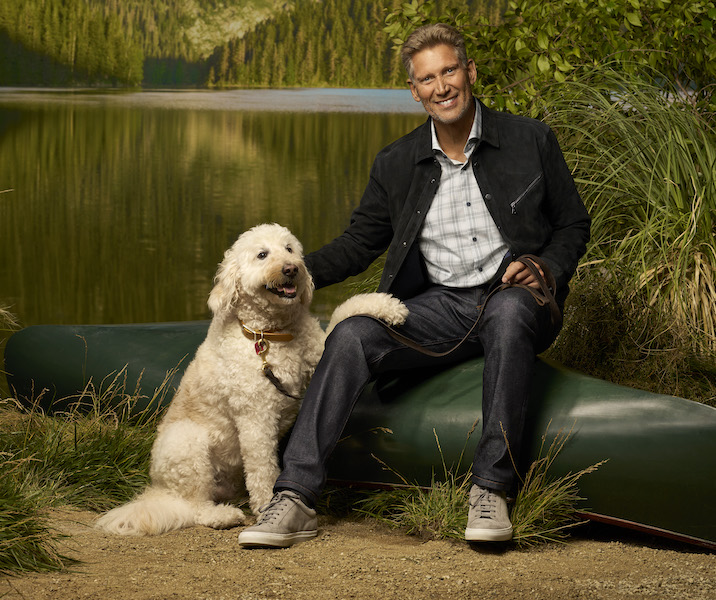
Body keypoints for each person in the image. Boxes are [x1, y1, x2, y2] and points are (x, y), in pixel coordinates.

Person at [237, 23, 591, 548]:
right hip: (438, 310)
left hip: (515, 297)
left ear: (470, 72)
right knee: (354, 331)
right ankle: (295, 498)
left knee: (511, 312)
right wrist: (284, 271)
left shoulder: (530, 140)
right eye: (427, 79)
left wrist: (545, 268)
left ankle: (491, 490)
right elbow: (359, 243)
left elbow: (573, 225)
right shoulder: (396, 163)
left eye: (449, 71)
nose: (441, 87)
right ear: (414, 91)